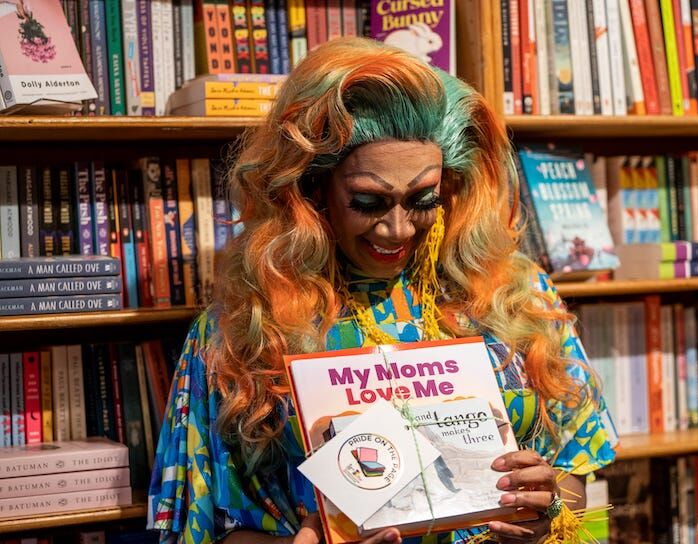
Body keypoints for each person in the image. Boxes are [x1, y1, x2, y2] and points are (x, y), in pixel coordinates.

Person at [147, 37, 617, 544]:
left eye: (423, 198)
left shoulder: (515, 295)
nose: (398, 229)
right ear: (312, 189)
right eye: (369, 201)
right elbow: (205, 524)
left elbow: (574, 472)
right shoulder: (244, 327)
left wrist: (547, 512)